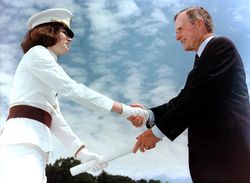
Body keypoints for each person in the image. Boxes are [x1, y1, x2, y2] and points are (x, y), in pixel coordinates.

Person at [0, 8, 148, 183]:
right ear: (49, 31)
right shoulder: (38, 54)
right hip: (22, 142)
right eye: (65, 32)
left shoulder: (44, 62)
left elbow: (55, 117)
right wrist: (126, 110)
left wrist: (83, 154)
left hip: (34, 144)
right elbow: (74, 89)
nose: (70, 38)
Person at [128, 6, 250, 183]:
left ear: (199, 24)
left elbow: (199, 97)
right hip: (210, 165)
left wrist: (157, 132)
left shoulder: (221, 47)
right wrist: (147, 114)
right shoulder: (196, 70)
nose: (177, 37)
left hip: (231, 160)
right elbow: (180, 101)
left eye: (180, 29)